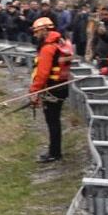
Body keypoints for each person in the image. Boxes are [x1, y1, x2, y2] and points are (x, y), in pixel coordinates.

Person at [30, 16, 74, 163]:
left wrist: (34, 91)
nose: (35, 35)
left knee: (52, 121)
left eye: (36, 32)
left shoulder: (48, 48)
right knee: (55, 121)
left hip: (51, 88)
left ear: (43, 30)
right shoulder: (61, 43)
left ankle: (54, 152)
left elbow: (42, 73)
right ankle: (55, 150)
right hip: (61, 86)